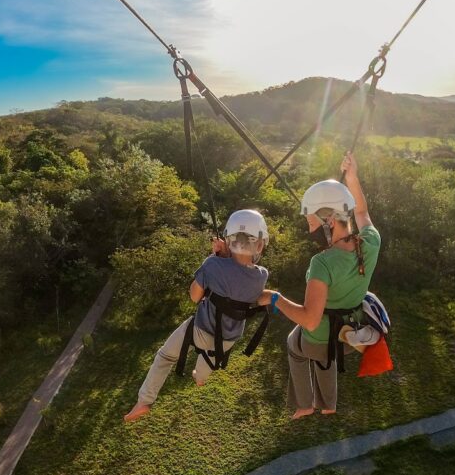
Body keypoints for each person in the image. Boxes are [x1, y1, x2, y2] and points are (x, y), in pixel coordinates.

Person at [124, 209, 271, 422]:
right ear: (260, 244)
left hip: (201, 329)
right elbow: (240, 272)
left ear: (229, 240)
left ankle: (144, 402)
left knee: (165, 356)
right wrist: (226, 256)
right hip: (229, 339)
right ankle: (200, 378)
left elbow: (195, 296)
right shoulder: (261, 275)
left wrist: (214, 257)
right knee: (208, 359)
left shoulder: (213, 265)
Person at [265, 152, 381, 419]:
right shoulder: (370, 244)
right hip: (349, 334)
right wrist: (353, 178)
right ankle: (328, 404)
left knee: (295, 344)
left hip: (322, 337)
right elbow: (361, 211)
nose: (309, 230)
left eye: (311, 222)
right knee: (324, 354)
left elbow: (310, 320)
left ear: (329, 221)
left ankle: (305, 404)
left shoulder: (322, 263)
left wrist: (275, 298)